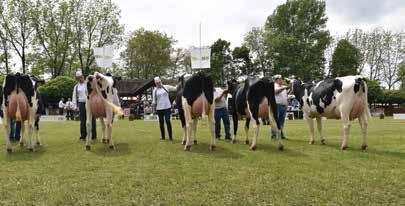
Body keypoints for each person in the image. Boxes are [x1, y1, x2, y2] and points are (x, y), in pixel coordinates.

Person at [72, 70, 96, 141]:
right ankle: (83, 136)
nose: (80, 78)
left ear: (83, 76)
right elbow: (74, 96)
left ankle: (93, 136)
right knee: (83, 120)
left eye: (81, 77)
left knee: (92, 119)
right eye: (78, 78)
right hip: (81, 103)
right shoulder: (76, 87)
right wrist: (75, 106)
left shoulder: (88, 84)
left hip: (90, 103)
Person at [152, 77, 177, 141]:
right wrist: (154, 109)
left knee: (168, 121)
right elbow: (154, 101)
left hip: (167, 107)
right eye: (157, 83)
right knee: (161, 122)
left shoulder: (166, 87)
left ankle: (170, 137)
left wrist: (180, 84)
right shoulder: (155, 90)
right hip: (159, 108)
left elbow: (175, 88)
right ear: (155, 83)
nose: (158, 84)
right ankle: (163, 137)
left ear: (161, 81)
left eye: (159, 82)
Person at [271, 74, 289, 140]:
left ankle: (280, 134)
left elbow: (286, 95)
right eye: (279, 79)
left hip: (283, 106)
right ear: (276, 80)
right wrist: (284, 88)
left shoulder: (283, 86)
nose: (281, 80)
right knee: (275, 121)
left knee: (281, 122)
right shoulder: (274, 86)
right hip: (276, 105)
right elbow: (276, 92)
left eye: (281, 79)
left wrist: (287, 103)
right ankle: (274, 136)